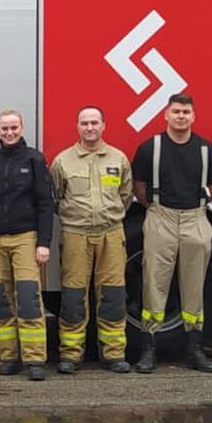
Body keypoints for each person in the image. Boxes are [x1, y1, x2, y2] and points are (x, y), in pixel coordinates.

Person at [132, 94, 212, 374]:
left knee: (194, 286)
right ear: (166, 115)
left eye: (186, 112)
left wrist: (195, 204)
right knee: (154, 283)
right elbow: (139, 185)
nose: (181, 116)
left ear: (193, 116)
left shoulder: (208, 149)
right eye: (176, 111)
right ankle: (149, 349)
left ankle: (194, 349)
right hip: (161, 217)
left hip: (196, 218)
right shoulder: (150, 148)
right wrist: (157, 209)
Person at [49, 106, 134, 374]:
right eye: (84, 123)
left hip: (111, 233)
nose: (89, 128)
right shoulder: (63, 161)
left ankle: (114, 354)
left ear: (103, 125)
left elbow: (126, 195)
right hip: (76, 234)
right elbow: (56, 198)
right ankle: (71, 354)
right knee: (74, 295)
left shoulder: (118, 159)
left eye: (94, 122)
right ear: (77, 126)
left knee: (112, 294)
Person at [0, 109, 56, 380]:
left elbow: (46, 204)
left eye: (14, 128)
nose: (9, 133)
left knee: (29, 299)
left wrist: (43, 242)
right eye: (5, 128)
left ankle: (34, 360)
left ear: (22, 128)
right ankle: (8, 357)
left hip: (25, 238)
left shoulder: (34, 159)